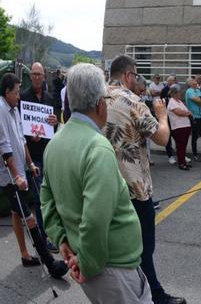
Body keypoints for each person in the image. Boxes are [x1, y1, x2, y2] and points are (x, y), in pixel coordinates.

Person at [40, 64, 150, 302]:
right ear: (101, 103)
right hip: (111, 266)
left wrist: (61, 239)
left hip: (88, 258)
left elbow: (46, 200)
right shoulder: (97, 147)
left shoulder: (55, 143)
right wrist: (87, 265)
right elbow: (95, 219)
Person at [104, 56, 184, 304]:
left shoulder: (96, 97)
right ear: (127, 75)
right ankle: (154, 296)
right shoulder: (132, 101)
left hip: (106, 185)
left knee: (115, 248)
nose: (137, 80)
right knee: (143, 249)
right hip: (134, 188)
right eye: (136, 75)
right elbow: (161, 138)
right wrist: (161, 115)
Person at [0, 73, 68, 279]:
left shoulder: (13, 110)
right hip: (10, 177)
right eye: (16, 92)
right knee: (29, 218)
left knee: (15, 212)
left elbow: (21, 140)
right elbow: (4, 146)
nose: (19, 96)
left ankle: (24, 255)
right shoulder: (1, 110)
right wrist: (16, 175)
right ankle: (50, 264)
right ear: (6, 92)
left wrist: (29, 163)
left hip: (21, 169)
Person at [20, 62, 59, 246]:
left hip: (49, 154)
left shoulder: (50, 98)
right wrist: (30, 136)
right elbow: (19, 127)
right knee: (39, 197)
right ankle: (42, 239)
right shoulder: (23, 98)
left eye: (39, 74)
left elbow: (54, 125)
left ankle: (47, 233)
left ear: (44, 76)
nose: (36, 77)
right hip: (33, 157)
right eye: (34, 74)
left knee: (49, 196)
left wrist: (54, 122)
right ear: (30, 76)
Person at [166, 85, 193, 170]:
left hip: (185, 126)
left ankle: (183, 162)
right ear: (174, 93)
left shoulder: (179, 102)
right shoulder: (172, 102)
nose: (181, 93)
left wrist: (186, 112)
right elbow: (179, 112)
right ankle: (181, 163)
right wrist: (187, 113)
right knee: (180, 146)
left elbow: (186, 110)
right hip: (178, 127)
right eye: (179, 92)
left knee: (183, 146)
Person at [185, 77, 201, 160]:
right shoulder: (189, 91)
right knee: (195, 136)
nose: (195, 81)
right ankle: (195, 154)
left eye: (194, 80)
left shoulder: (197, 90)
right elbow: (200, 101)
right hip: (194, 117)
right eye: (193, 80)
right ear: (189, 83)